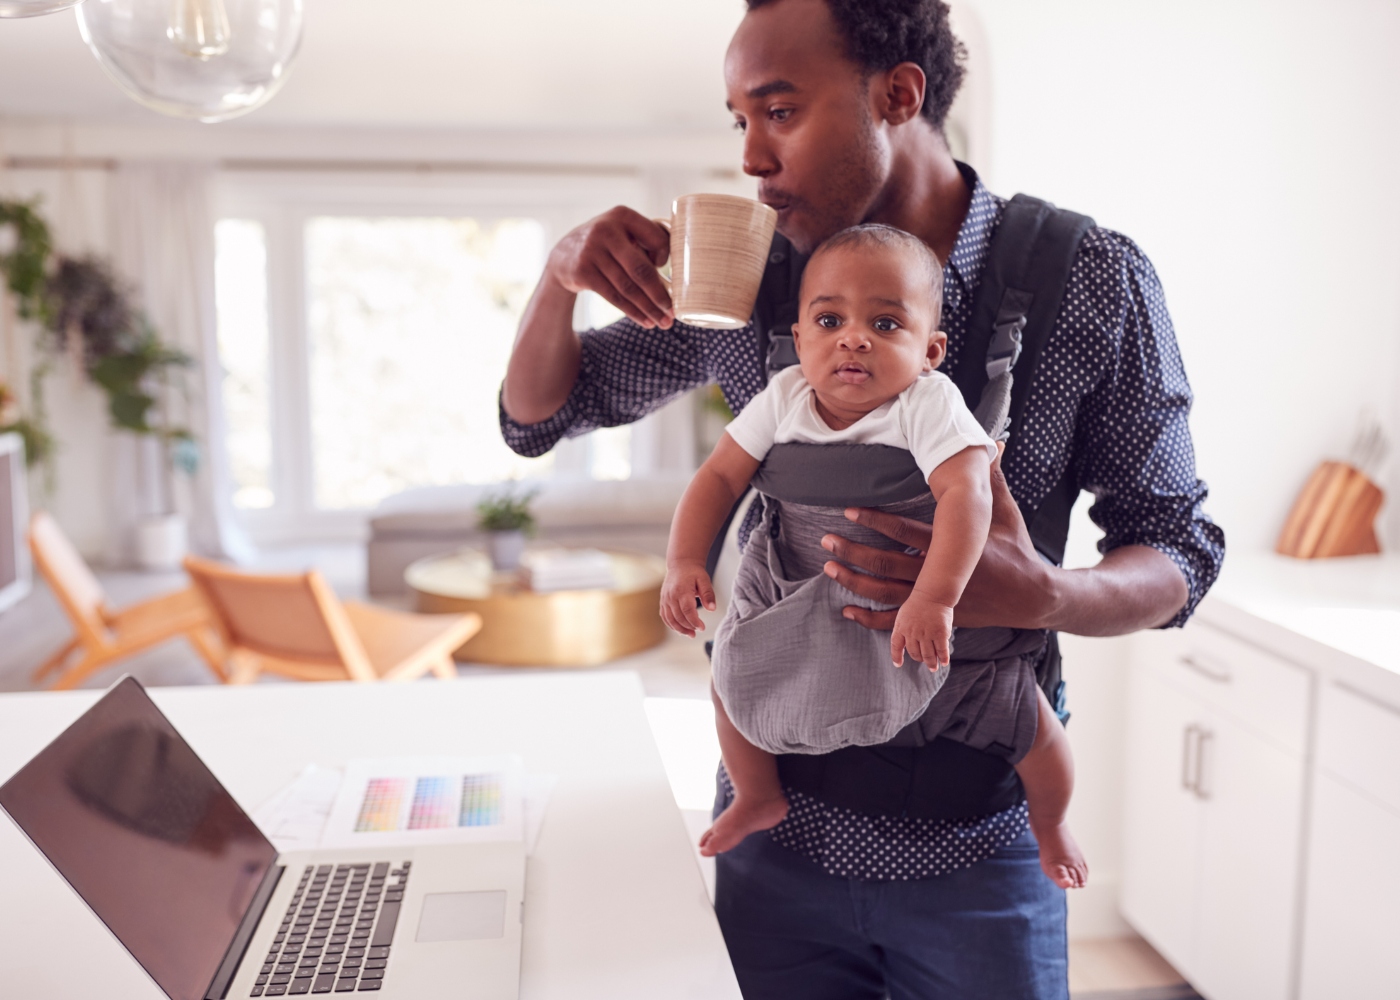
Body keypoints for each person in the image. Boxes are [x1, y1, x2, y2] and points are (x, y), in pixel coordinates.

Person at [500, 0, 1223, 995]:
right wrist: (556, 278)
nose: (751, 156)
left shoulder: (1087, 279)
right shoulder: (750, 276)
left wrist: (1043, 594)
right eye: (737, 120)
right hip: (774, 840)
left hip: (980, 845)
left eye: (779, 111)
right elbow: (540, 414)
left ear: (897, 94)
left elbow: (1177, 549)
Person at [660, 223, 1088, 890]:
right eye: (829, 319)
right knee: (732, 686)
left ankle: (1053, 824)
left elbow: (966, 495)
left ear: (930, 352)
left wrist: (935, 598)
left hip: (915, 623)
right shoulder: (785, 399)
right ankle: (756, 794)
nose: (853, 338)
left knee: (1031, 725)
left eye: (887, 324)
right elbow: (717, 478)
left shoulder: (927, 405)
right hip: (798, 601)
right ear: (800, 341)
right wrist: (683, 559)